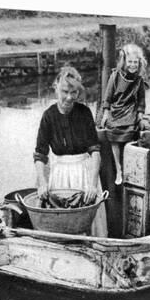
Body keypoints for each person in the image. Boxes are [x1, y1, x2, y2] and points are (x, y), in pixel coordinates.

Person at [33, 66, 108, 237]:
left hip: (83, 172)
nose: (69, 97)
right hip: (60, 174)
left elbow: (95, 150)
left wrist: (93, 183)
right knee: (60, 223)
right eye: (65, 91)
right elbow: (40, 155)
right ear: (56, 88)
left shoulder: (84, 113)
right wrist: (43, 183)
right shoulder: (48, 116)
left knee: (89, 222)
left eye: (73, 92)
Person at [100, 44, 147, 185]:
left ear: (139, 63)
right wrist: (105, 114)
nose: (132, 65)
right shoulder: (115, 76)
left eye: (135, 62)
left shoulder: (139, 80)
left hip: (130, 110)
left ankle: (128, 167)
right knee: (113, 134)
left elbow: (141, 100)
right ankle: (119, 169)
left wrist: (140, 114)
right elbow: (107, 97)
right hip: (116, 110)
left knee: (130, 134)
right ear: (125, 62)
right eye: (130, 62)